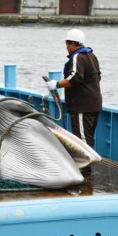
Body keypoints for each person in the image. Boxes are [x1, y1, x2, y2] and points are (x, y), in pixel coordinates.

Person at [45, 29, 103, 163]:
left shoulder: (78, 57)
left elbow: (75, 78)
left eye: (67, 45)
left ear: (72, 44)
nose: (66, 48)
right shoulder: (91, 56)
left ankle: (86, 171)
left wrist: (56, 84)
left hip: (82, 105)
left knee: (82, 140)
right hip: (94, 103)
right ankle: (87, 168)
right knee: (88, 137)